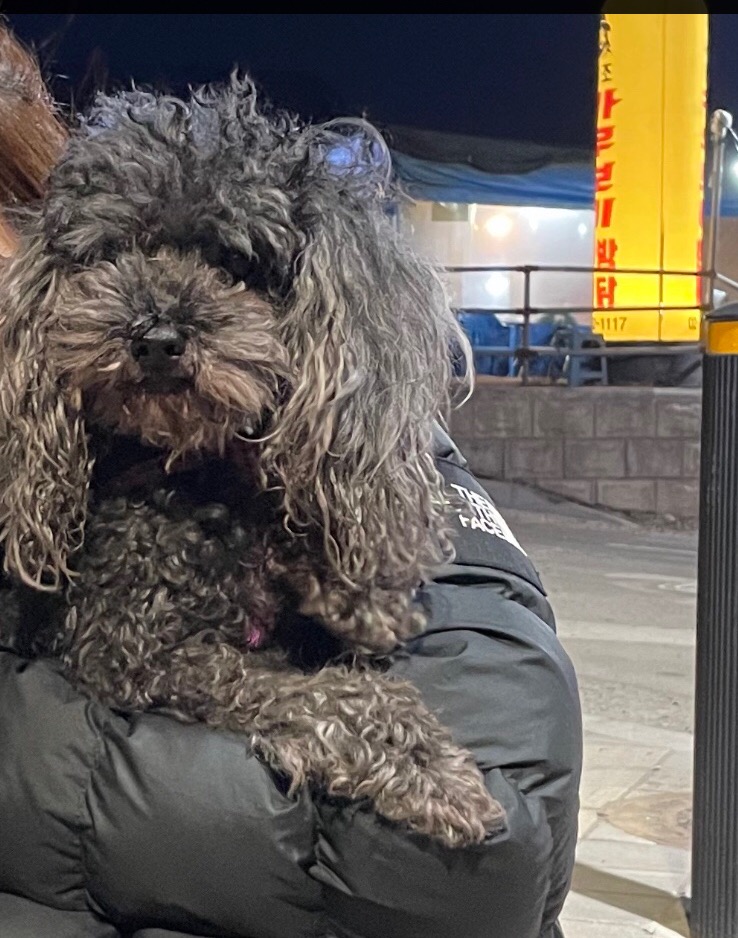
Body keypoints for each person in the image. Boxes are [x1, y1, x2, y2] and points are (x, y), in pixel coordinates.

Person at [0, 24, 582, 938]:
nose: (159, 326)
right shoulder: (83, 470)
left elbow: (486, 855)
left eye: (233, 269)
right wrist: (336, 714)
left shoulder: (345, 458)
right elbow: (137, 664)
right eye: (115, 262)